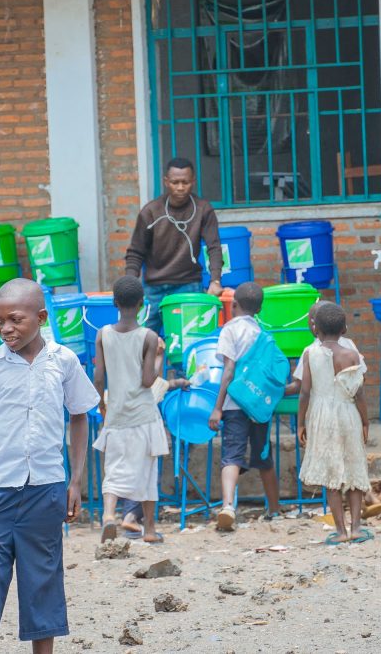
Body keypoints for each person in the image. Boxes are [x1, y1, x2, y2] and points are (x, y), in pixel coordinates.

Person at [0, 278, 99, 653]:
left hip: (46, 490)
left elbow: (80, 416)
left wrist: (75, 481)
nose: (6, 328)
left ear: (40, 318)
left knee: (42, 582)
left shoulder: (63, 361)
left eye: (15, 320)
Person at [91, 275, 170, 544]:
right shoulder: (149, 336)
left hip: (116, 414)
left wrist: (102, 405)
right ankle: (149, 530)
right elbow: (148, 380)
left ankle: (108, 515)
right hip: (144, 415)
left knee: (113, 469)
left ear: (114, 302)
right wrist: (158, 356)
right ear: (142, 303)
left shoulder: (103, 334)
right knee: (147, 472)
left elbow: (98, 377)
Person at [208, 282, 282, 530]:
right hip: (258, 405)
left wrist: (218, 407)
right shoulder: (262, 334)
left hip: (234, 403)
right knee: (264, 456)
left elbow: (229, 370)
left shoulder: (229, 330)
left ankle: (228, 506)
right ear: (259, 309)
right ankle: (274, 509)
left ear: (234, 305)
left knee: (232, 455)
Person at [124, 157, 224, 337]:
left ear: (193, 182)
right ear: (166, 182)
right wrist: (130, 284)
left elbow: (214, 247)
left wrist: (215, 280)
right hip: (153, 288)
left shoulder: (203, 209)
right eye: (175, 182)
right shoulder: (151, 211)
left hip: (188, 285)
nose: (180, 187)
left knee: (188, 340)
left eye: (185, 182)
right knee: (143, 340)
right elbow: (136, 251)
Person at [297, 303, 371, 544]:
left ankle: (340, 531)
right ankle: (357, 528)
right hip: (348, 413)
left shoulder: (309, 354)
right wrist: (365, 421)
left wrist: (301, 423)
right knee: (354, 468)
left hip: (321, 417)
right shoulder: (351, 354)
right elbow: (358, 393)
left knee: (331, 475)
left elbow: (304, 392)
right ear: (344, 329)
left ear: (315, 328)